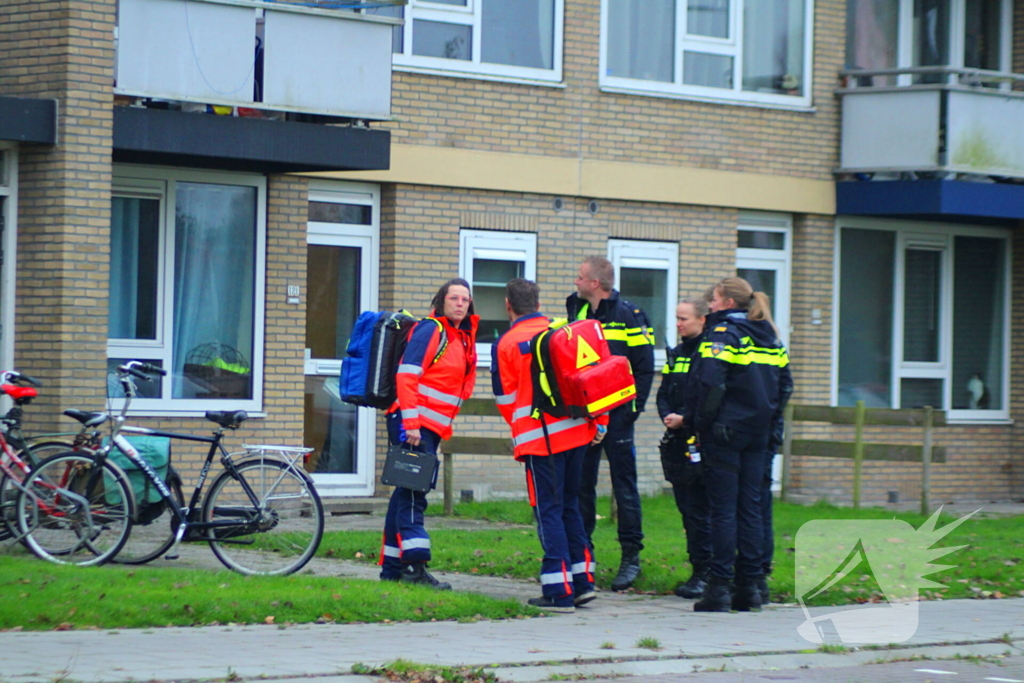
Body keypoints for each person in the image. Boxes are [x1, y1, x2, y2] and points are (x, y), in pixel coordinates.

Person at [492, 279, 607, 612]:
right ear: (538, 302)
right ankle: (583, 581)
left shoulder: (507, 343)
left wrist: (522, 426)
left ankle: (557, 590)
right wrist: (597, 422)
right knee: (570, 504)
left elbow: (505, 399)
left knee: (548, 510)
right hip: (577, 432)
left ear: (507, 305)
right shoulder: (563, 330)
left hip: (540, 439)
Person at [690, 277, 792, 612]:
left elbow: (709, 384)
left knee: (723, 510)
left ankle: (719, 588)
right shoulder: (770, 337)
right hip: (759, 433)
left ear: (728, 304)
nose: (711, 306)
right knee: (750, 509)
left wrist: (702, 425)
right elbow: (785, 387)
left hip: (726, 433)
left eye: (715, 300)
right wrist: (771, 425)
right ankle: (750, 587)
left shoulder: (723, 335)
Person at [379, 278, 479, 589]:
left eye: (465, 299)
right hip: (414, 425)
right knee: (414, 494)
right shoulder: (432, 330)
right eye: (454, 298)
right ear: (442, 301)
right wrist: (411, 424)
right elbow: (407, 375)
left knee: (404, 493)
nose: (460, 303)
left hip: (427, 427)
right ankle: (414, 568)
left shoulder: (459, 336)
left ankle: (393, 569)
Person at [566, 256, 655, 591]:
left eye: (579, 277)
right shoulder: (580, 312)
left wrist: (631, 411)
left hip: (618, 416)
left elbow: (645, 367)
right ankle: (583, 556)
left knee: (624, 488)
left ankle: (631, 557)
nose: (575, 282)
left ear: (595, 283)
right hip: (586, 415)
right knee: (581, 485)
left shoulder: (629, 315)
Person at [656, 297, 713, 600]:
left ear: (702, 319)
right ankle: (698, 568)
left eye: (684, 319)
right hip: (678, 441)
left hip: (701, 439)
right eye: (676, 319)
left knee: (701, 510)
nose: (678, 324)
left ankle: (707, 572)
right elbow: (665, 391)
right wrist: (667, 414)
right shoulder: (677, 354)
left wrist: (687, 419)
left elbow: (709, 397)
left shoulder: (710, 353)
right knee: (687, 509)